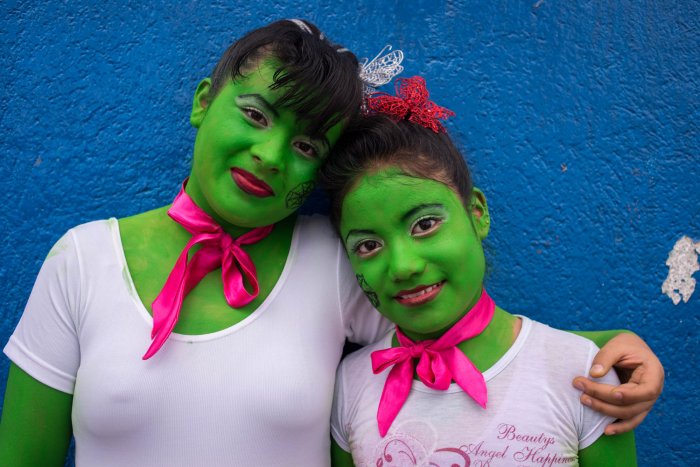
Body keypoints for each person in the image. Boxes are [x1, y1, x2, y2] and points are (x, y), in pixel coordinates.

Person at [0, 20, 658, 467]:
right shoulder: (82, 260)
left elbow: (447, 329)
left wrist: (607, 351)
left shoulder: (335, 258)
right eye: (255, 115)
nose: (269, 153)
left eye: (306, 144)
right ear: (204, 100)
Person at [321, 77, 638, 466]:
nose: (403, 266)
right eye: (368, 246)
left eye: (425, 224)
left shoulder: (580, 374)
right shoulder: (351, 387)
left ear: (478, 213)